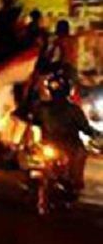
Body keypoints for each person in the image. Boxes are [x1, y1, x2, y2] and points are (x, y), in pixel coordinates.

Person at [32, 68, 100, 196]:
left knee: (80, 154)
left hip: (67, 144)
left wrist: (94, 134)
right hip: (50, 144)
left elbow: (85, 127)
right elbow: (34, 122)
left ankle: (74, 182)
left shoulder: (70, 109)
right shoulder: (43, 108)